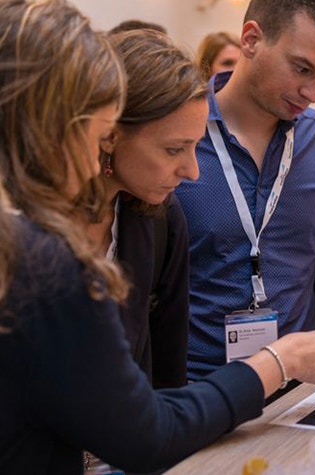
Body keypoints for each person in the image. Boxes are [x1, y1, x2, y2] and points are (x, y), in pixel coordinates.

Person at [0, 2, 315, 474]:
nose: (189, 171)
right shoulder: (46, 255)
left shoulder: (144, 215)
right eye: (97, 132)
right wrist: (276, 362)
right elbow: (145, 426)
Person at [175, 0, 315, 380]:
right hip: (197, 383)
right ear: (251, 39)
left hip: (297, 384)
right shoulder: (181, 134)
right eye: (301, 68)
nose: (312, 92)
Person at [83, 29, 202, 389]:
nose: (192, 172)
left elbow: (168, 372)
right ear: (110, 134)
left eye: (196, 146)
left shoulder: (162, 220)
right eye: (173, 149)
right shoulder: (27, 226)